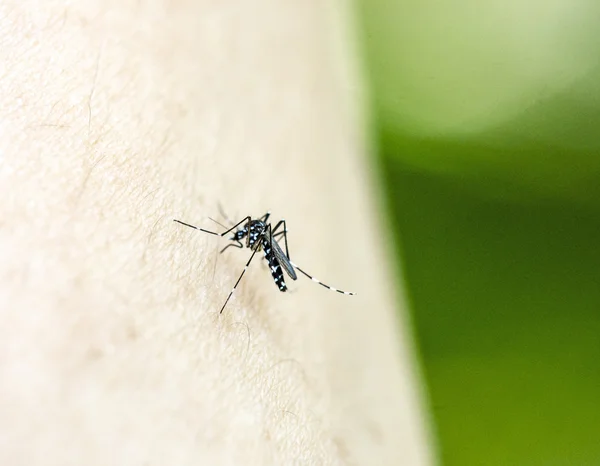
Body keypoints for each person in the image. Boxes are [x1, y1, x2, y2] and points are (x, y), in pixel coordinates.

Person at [0, 1, 433, 464]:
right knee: (264, 227)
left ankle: (296, 272)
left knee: (266, 241)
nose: (245, 235)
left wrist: (256, 262)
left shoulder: (258, 244)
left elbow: (255, 242)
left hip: (276, 259)